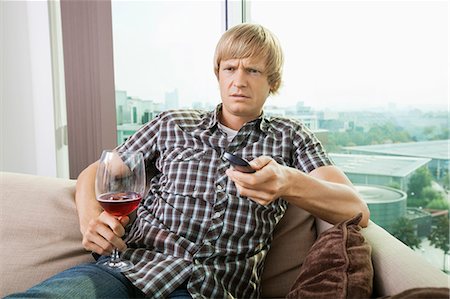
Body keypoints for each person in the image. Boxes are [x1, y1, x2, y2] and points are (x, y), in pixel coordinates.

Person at [8, 23, 369, 298]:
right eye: (230, 68)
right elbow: (97, 171)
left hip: (208, 289)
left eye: (253, 71)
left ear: (272, 81)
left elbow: (355, 209)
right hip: (128, 271)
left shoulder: (292, 136)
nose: (238, 81)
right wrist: (90, 219)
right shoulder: (172, 123)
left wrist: (288, 182)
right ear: (218, 75)